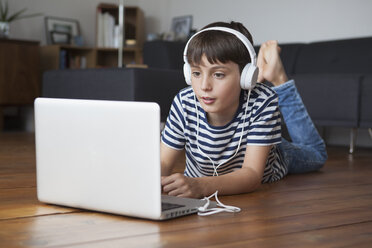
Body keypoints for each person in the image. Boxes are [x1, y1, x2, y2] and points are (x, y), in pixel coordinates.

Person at [160, 21, 327, 199]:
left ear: (246, 76)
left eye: (218, 74)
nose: (204, 86)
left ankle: (278, 78)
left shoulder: (263, 102)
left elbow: (252, 175)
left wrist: (200, 186)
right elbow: (162, 162)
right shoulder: (184, 101)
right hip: (240, 141)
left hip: (269, 152)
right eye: (196, 73)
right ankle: (261, 77)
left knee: (317, 155)